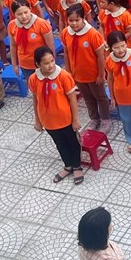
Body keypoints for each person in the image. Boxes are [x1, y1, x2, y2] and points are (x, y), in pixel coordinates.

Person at [29, 45, 85, 185]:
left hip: (65, 119)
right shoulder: (34, 79)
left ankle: (77, 166)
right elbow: (35, 100)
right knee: (59, 144)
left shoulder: (63, 76)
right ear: (38, 64)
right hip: (48, 121)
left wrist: (75, 119)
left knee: (73, 143)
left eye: (52, 61)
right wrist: (37, 120)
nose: (51, 65)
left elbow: (72, 99)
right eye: (46, 63)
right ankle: (68, 165)